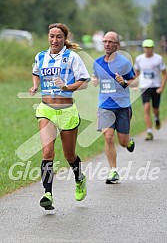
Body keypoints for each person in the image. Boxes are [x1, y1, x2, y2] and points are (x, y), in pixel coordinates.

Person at [29, 23, 90, 210]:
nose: (54, 40)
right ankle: (47, 194)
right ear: (48, 37)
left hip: (67, 111)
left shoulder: (71, 57)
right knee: (47, 152)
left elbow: (84, 82)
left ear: (65, 39)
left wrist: (67, 87)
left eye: (59, 37)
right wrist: (35, 85)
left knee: (69, 155)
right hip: (46, 109)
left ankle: (79, 178)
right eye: (51, 36)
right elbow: (36, 72)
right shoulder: (40, 56)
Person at [92, 31, 136, 184]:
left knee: (122, 142)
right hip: (105, 105)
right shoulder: (97, 62)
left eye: (111, 42)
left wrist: (123, 81)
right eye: (105, 41)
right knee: (108, 136)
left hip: (122, 105)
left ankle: (128, 141)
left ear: (117, 45)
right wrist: (95, 80)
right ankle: (113, 171)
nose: (107, 44)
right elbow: (96, 76)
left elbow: (133, 81)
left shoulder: (124, 63)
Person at [134, 39, 167, 141]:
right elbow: (137, 73)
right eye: (146, 48)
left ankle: (157, 118)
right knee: (146, 107)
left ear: (152, 48)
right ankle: (149, 131)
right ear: (143, 48)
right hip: (144, 86)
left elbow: (164, 74)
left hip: (156, 86)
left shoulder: (158, 59)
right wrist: (135, 84)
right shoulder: (139, 59)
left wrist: (162, 87)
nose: (147, 50)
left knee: (155, 109)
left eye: (149, 48)